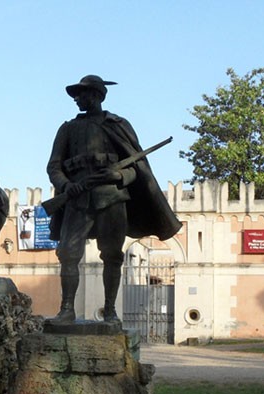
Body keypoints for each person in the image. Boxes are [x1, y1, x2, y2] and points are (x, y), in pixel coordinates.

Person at [47, 75, 181, 323]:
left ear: (97, 95)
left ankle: (110, 310)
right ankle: (67, 309)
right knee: (67, 253)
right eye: (76, 95)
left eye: (82, 94)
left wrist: (117, 174)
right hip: (77, 200)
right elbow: (54, 167)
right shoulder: (67, 129)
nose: (77, 99)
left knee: (112, 255)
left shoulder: (118, 125)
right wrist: (67, 185)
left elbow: (137, 168)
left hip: (112, 197)